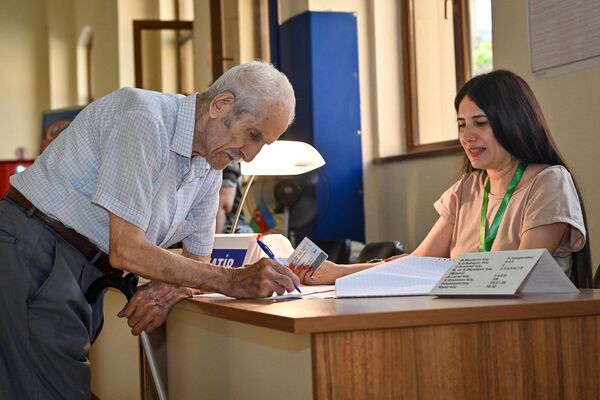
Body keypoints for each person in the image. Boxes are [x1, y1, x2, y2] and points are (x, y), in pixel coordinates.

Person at [0, 60, 300, 399]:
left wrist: (171, 289)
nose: (250, 155)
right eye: (253, 135)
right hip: (33, 249)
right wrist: (234, 280)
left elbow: (198, 260)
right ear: (221, 106)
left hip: (83, 269)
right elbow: (127, 248)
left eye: (264, 144)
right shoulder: (145, 118)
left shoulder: (209, 165)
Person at [294, 70, 590, 285]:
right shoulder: (468, 188)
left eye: (480, 123)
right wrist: (338, 273)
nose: (467, 136)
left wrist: (450, 271)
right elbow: (420, 260)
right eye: (462, 125)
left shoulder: (549, 181)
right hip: (468, 316)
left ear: (513, 123)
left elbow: (521, 271)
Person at [216, 161, 254, 234]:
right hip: (238, 227)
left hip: (231, 229)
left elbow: (223, 206)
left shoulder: (225, 161)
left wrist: (214, 241)